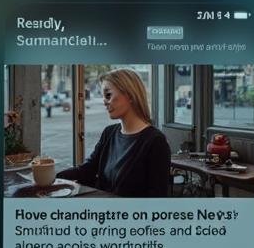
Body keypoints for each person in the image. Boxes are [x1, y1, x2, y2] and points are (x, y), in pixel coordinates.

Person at [58, 68, 172, 197]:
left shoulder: (155, 141)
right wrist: (51, 177)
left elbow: (156, 199)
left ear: (129, 95)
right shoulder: (109, 133)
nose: (104, 102)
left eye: (108, 95)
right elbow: (87, 170)